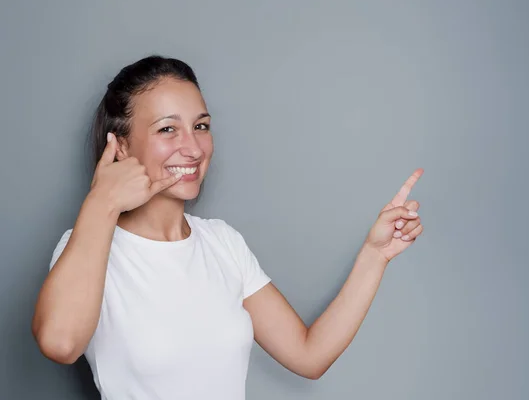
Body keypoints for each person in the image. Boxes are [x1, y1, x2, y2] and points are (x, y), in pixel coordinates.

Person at [31, 55, 424, 400]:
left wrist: (376, 255)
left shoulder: (222, 242)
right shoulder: (88, 245)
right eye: (168, 129)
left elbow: (310, 355)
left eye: (201, 126)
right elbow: (61, 343)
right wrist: (102, 201)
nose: (193, 147)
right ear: (121, 147)